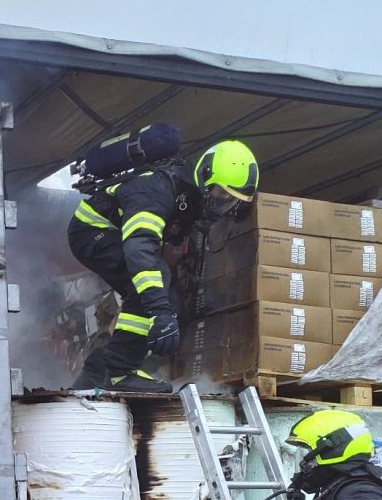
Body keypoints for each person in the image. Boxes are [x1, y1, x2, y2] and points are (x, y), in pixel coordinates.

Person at [66, 139, 258, 393]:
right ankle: (119, 372)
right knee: (154, 287)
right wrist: (160, 313)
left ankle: (97, 372)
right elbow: (140, 249)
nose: (221, 203)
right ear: (205, 175)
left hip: (116, 235)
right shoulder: (156, 190)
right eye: (220, 193)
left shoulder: (190, 196)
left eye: (230, 200)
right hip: (93, 231)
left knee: (168, 298)